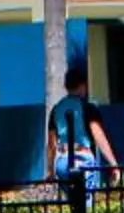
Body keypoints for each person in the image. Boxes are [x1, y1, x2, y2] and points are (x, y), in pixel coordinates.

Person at [46, 61, 118, 192]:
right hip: (83, 158)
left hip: (62, 161)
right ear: (83, 86)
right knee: (86, 205)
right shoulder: (88, 108)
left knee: (71, 204)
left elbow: (51, 144)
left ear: (66, 86)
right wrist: (113, 164)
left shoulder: (56, 110)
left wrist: (50, 171)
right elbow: (99, 136)